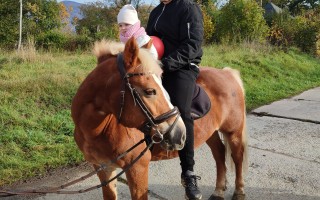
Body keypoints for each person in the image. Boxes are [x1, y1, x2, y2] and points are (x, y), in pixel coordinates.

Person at [146, 0, 204, 199]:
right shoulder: (155, 12)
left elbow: (193, 45)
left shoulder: (189, 8)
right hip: (156, 67)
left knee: (181, 109)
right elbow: (147, 42)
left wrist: (166, 64)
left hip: (183, 67)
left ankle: (188, 173)